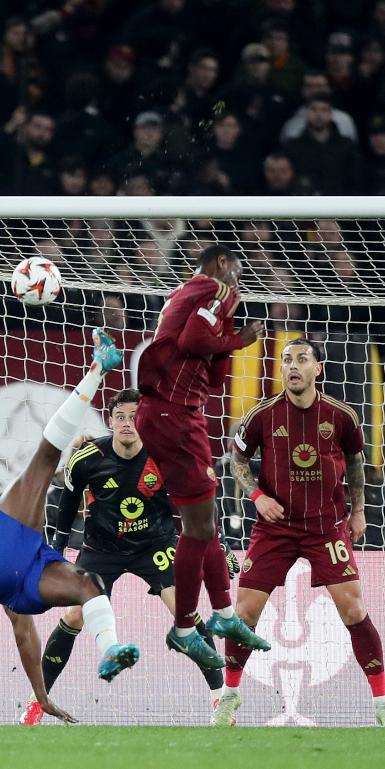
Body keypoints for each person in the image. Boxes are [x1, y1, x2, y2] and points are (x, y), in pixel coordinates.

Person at [0, 329, 140, 725]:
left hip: (19, 581)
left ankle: (110, 650)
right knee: (44, 459)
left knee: (89, 585)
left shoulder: (7, 541)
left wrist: (41, 695)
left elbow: (23, 634)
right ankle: (98, 368)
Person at [21, 388, 239, 726]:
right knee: (76, 615)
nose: (126, 423)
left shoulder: (166, 456)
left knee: (185, 610)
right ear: (110, 420)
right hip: (101, 549)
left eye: (133, 417)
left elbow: (198, 501)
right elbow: (65, 506)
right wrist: (57, 552)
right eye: (119, 416)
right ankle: (38, 703)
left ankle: (219, 698)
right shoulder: (87, 458)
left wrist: (217, 545)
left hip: (155, 545)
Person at [221, 339, 385, 728]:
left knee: (354, 610)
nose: (293, 366)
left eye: (302, 360)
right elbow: (237, 459)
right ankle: (229, 696)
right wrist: (256, 495)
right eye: (287, 360)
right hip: (276, 528)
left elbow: (356, 462)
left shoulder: (341, 415)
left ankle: (383, 703)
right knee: (244, 613)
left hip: (326, 527)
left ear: (317, 369)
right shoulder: (263, 414)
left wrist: (358, 511)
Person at [134, 245, 270, 670]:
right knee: (198, 527)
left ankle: (226, 616)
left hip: (169, 412)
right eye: (238, 270)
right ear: (222, 263)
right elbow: (196, 339)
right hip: (173, 415)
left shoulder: (186, 294)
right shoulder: (214, 286)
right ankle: (184, 629)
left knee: (204, 522)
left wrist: (227, 343)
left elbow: (210, 373)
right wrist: (239, 338)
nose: (239, 282)